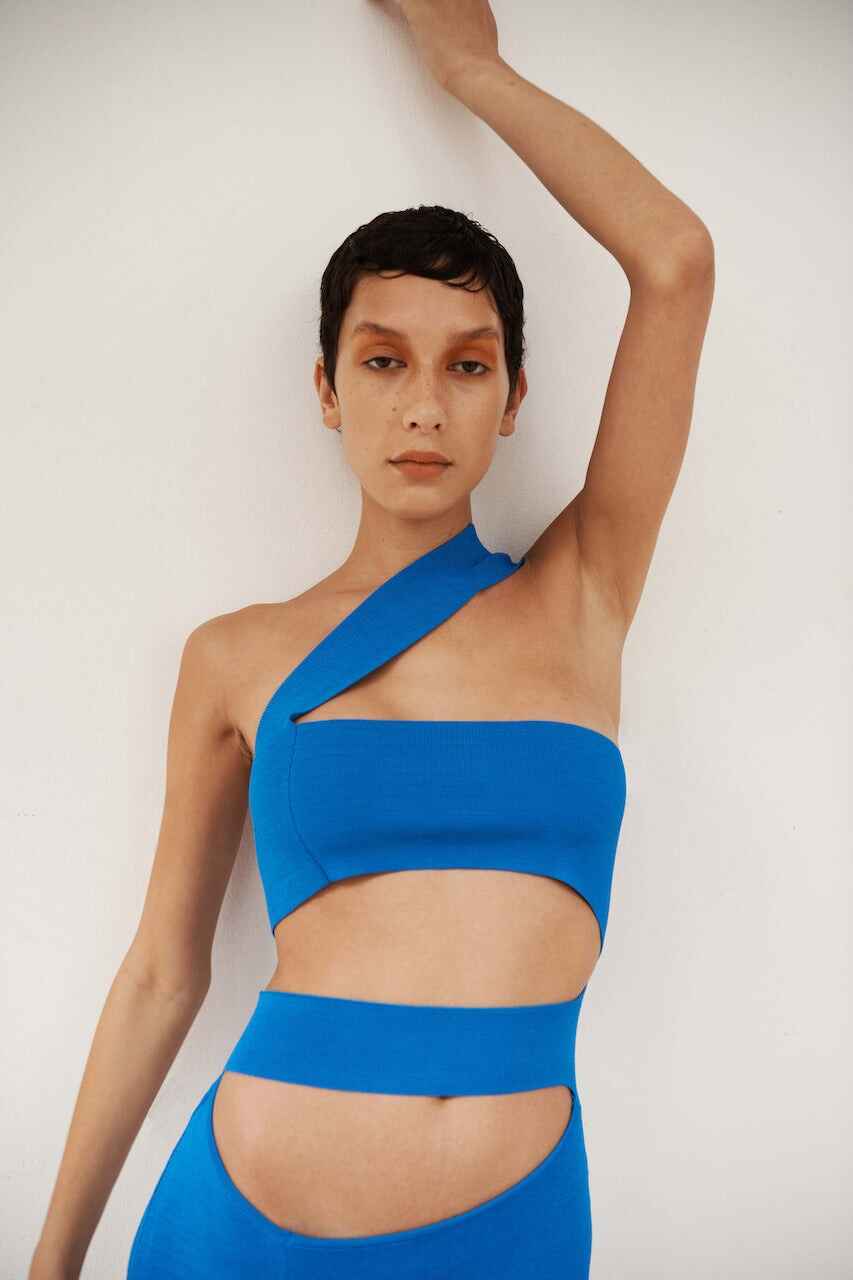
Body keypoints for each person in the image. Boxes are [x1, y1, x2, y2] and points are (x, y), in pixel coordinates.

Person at [28, 3, 715, 1277]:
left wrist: (468, 67)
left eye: (468, 366)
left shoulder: (581, 592)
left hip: (512, 1222)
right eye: (384, 360)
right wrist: (48, 1261)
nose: (423, 406)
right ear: (328, 389)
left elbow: (674, 259)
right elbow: (163, 973)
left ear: (515, 397)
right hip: (236, 1223)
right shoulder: (235, 655)